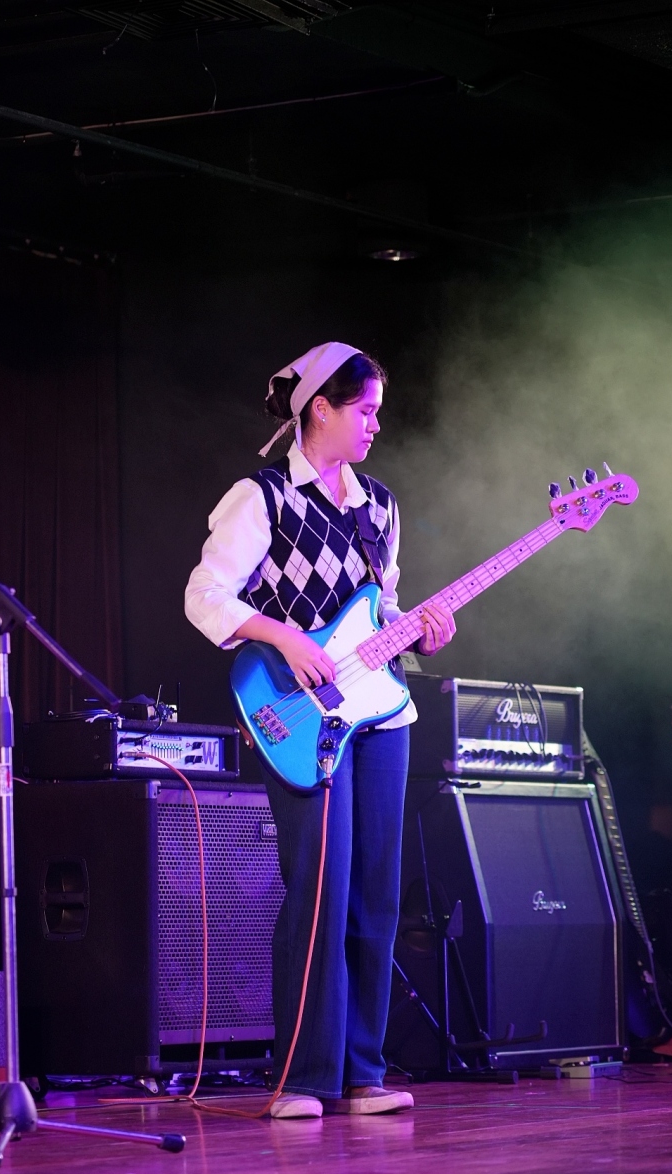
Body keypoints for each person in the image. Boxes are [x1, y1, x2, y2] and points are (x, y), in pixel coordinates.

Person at [185, 342, 455, 1118]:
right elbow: (206, 595)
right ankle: (303, 1078)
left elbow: (382, 608)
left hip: (383, 714)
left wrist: (423, 630)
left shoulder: (380, 508)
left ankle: (364, 1073)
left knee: (376, 894)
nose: (375, 425)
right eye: (364, 410)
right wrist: (283, 636)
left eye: (377, 412)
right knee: (320, 892)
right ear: (321, 410)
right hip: (300, 715)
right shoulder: (263, 497)